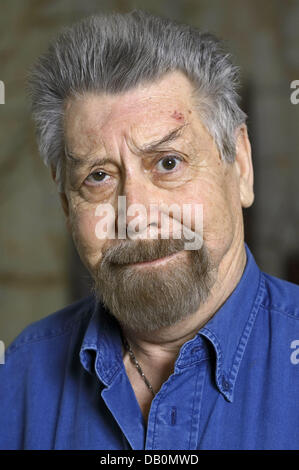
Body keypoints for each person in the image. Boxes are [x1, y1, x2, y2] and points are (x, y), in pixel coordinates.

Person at [0, 10, 299, 451]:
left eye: (168, 163)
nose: (136, 213)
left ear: (241, 167)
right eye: (99, 177)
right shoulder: (18, 375)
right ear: (67, 206)